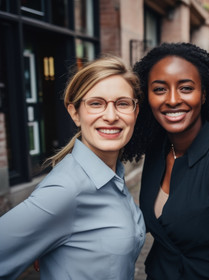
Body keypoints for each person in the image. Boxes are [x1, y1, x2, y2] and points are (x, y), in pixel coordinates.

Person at [0, 56, 145, 279]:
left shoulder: (110, 175)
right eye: (96, 103)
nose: (111, 116)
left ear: (135, 112)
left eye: (122, 103)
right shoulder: (65, 189)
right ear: (75, 113)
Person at [121, 42, 209, 279]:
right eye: (160, 89)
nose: (172, 100)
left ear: (203, 94)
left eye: (186, 88)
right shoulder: (158, 149)